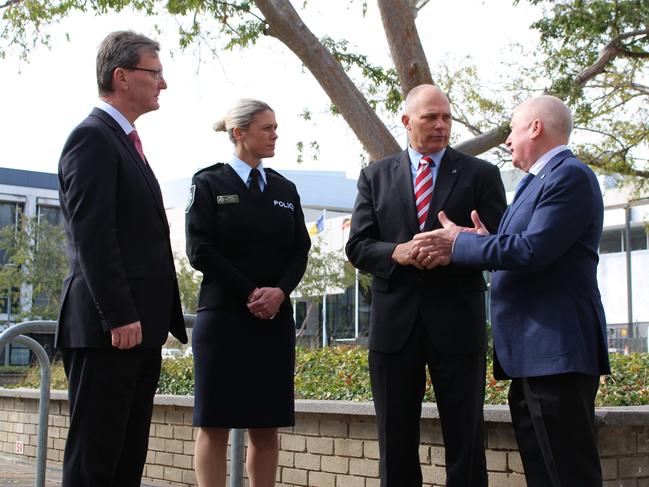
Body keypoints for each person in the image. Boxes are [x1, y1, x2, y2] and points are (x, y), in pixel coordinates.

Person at [413, 95, 610, 486]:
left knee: (569, 474)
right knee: (543, 474)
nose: (507, 141)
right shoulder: (536, 183)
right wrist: (484, 239)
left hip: (557, 355)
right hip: (532, 359)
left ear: (535, 128)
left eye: (513, 129)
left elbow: (534, 250)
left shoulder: (569, 177)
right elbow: (518, 248)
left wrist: (460, 246)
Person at [345, 84, 507, 487]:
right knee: (395, 440)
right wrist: (396, 253)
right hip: (394, 327)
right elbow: (358, 246)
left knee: (466, 439)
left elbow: (500, 243)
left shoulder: (482, 174)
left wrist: (458, 249)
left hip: (458, 321)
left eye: (446, 117)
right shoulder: (374, 176)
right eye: (430, 117)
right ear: (406, 122)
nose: (441, 125)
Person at [56, 31, 188, 487]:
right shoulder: (92, 138)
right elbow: (92, 237)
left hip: (138, 331)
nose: (163, 84)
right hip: (110, 331)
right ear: (122, 76)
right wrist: (118, 315)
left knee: (125, 462)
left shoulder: (125, 140)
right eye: (155, 72)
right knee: (95, 462)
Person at [185, 98, 311, 487]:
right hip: (223, 319)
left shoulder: (284, 189)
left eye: (275, 128)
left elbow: (299, 250)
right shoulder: (208, 183)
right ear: (239, 133)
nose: (275, 135)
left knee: (266, 425)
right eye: (267, 128)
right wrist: (250, 292)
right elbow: (200, 250)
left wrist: (279, 293)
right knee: (214, 423)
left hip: (272, 322)